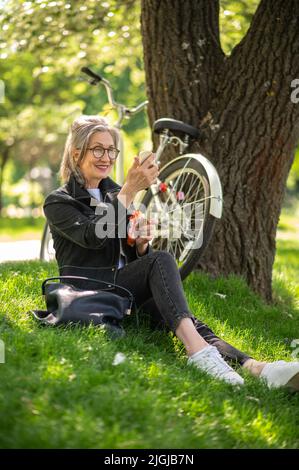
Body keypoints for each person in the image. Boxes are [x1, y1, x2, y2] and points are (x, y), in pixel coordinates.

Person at [43, 115, 299, 391]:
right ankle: (199, 354)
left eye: (111, 149)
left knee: (182, 317)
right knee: (162, 261)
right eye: (98, 149)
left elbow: (128, 256)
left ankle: (258, 368)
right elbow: (93, 237)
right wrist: (129, 192)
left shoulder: (114, 193)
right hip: (91, 288)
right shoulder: (59, 201)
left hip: (120, 287)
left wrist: (139, 245)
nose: (106, 157)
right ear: (76, 152)